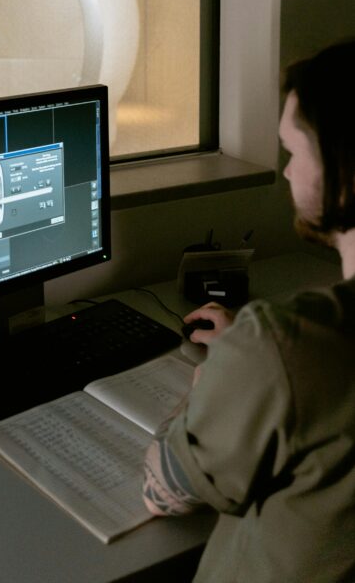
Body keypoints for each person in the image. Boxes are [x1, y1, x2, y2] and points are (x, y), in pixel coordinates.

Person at [142, 38, 355, 583]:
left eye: (294, 152)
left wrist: (227, 369)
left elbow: (162, 492)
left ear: (346, 167)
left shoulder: (281, 346)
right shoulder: (291, 344)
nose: (285, 172)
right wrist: (261, 351)